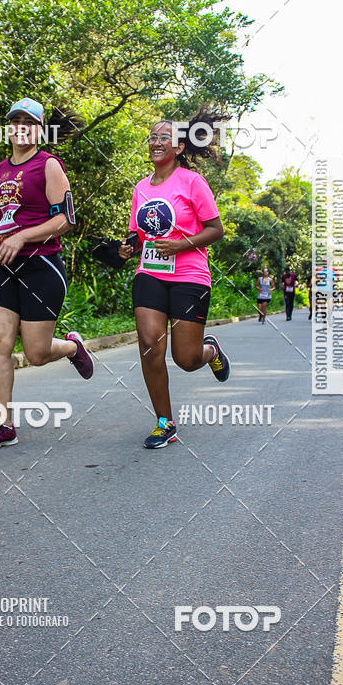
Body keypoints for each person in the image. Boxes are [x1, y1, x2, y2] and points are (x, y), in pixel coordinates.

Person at [0, 97, 93, 451]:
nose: (21, 128)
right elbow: (1, 219)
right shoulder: (2, 170)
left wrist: (23, 237)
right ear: (9, 128)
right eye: (16, 121)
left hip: (41, 266)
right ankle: (4, 425)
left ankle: (73, 347)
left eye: (29, 122)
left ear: (39, 130)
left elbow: (65, 220)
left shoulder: (48, 165)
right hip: (4, 267)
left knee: (36, 354)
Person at [117, 114, 230, 450]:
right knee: (151, 345)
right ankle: (164, 422)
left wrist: (181, 245)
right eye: (152, 137)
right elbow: (137, 234)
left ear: (180, 147)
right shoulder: (140, 187)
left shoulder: (192, 182)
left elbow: (215, 230)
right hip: (150, 273)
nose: (155, 142)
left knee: (185, 358)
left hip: (190, 276)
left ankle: (210, 352)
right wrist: (128, 247)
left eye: (164, 137)